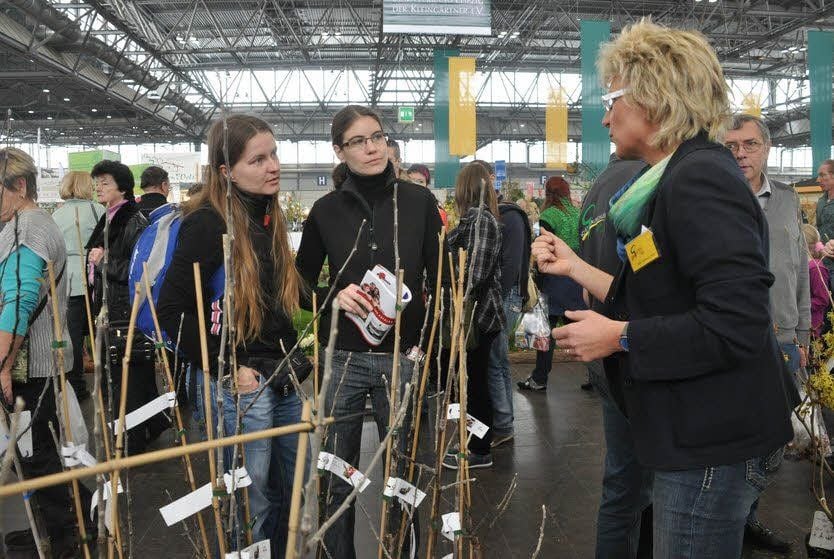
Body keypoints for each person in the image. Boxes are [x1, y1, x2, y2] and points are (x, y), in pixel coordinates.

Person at [532, 20, 794, 557]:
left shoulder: (698, 178)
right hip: (697, 430)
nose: (605, 116)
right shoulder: (668, 180)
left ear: (653, 96)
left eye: (612, 100)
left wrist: (621, 338)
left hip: (711, 439)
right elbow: (666, 295)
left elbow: (736, 324)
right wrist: (577, 268)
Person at [296, 104, 445, 559]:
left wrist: (429, 349)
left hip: (403, 356)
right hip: (342, 356)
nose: (372, 147)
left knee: (402, 470)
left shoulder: (419, 202)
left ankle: (401, 550)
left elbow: (441, 283)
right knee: (336, 470)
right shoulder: (324, 211)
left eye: (377, 136)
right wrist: (331, 296)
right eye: (358, 141)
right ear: (339, 151)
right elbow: (300, 285)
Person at [157, 114, 306, 555]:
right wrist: (224, 368)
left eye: (273, 154)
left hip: (282, 377)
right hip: (240, 386)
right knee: (250, 501)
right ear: (226, 171)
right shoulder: (207, 223)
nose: (272, 166)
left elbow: (284, 297)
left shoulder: (267, 216)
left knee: (289, 492)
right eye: (257, 159)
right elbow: (170, 309)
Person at [0, 148, 93, 555]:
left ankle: (67, 534)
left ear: (18, 187)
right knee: (39, 450)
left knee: (37, 453)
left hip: (29, 365)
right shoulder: (22, 223)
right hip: (34, 362)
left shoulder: (30, 228)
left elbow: (18, 301)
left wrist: (2, 365)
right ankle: (55, 525)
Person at [725, 112, 807, 553]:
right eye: (732, 146)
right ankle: (731, 522)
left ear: (767, 147)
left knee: (775, 442)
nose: (740, 154)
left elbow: (798, 272)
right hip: (734, 341)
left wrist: (804, 334)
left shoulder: (789, 200)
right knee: (737, 439)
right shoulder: (714, 197)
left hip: (783, 337)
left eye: (749, 144)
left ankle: (746, 514)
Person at [577, 154, 654, 558]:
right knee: (643, 487)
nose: (607, 120)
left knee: (623, 483)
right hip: (638, 350)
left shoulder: (599, 187)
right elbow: (648, 286)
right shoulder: (647, 183)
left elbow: (591, 276)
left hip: (610, 349)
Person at [87, 160, 168, 455]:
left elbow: (143, 271)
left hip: (128, 314)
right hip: (113, 310)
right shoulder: (109, 217)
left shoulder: (133, 220)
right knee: (131, 379)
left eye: (105, 182)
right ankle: (152, 425)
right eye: (97, 183)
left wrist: (103, 261)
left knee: (130, 381)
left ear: (122, 186)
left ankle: (132, 439)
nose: (99, 187)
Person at [441, 162, 505, 469]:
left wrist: (447, 276)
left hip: (477, 318)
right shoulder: (474, 220)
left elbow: (474, 274)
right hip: (472, 316)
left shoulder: (481, 221)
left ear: (464, 189)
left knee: (474, 385)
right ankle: (473, 443)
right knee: (469, 383)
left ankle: (479, 450)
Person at [518, 176, 586, 392]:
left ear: (548, 193)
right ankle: (598, 376)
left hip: (552, 280)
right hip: (577, 279)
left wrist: (535, 282)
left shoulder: (547, 216)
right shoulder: (579, 214)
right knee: (583, 330)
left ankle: (539, 378)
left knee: (542, 332)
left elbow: (541, 251)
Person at [51, 171, 104, 401]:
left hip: (66, 284)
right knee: (100, 334)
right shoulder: (98, 211)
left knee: (71, 338)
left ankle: (75, 387)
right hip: (95, 281)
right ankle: (106, 386)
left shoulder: (56, 215)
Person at [487, 178, 530, 448]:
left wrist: (496, 299)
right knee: (499, 361)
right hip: (506, 296)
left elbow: (512, 263)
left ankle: (503, 424)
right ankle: (504, 421)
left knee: (495, 361)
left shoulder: (509, 216)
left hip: (506, 297)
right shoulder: (501, 215)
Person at [803, 224, 830, 339]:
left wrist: (802, 304)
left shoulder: (815, 268)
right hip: (803, 318)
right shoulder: (803, 265)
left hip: (812, 324)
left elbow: (822, 299)